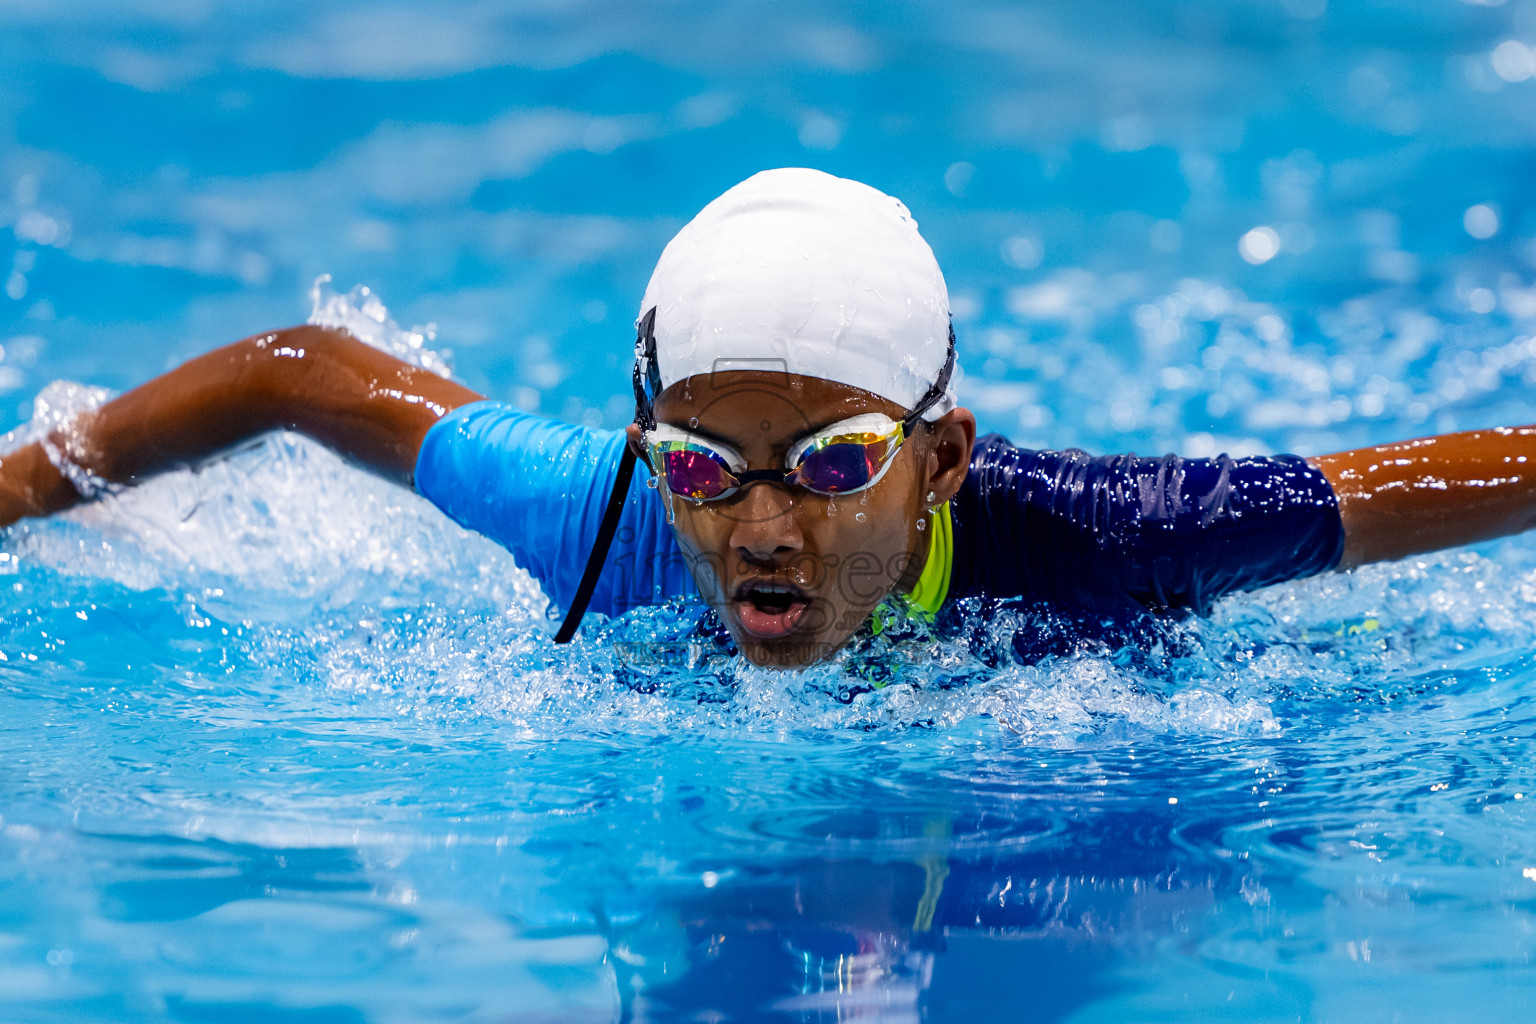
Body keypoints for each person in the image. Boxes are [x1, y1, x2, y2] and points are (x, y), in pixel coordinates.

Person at [0, 168, 1532, 668]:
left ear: (943, 457)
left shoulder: (1103, 542)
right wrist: (16, 491)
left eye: (837, 463)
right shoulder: (601, 526)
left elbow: (1403, 483)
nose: (762, 525)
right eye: (702, 468)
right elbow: (299, 370)